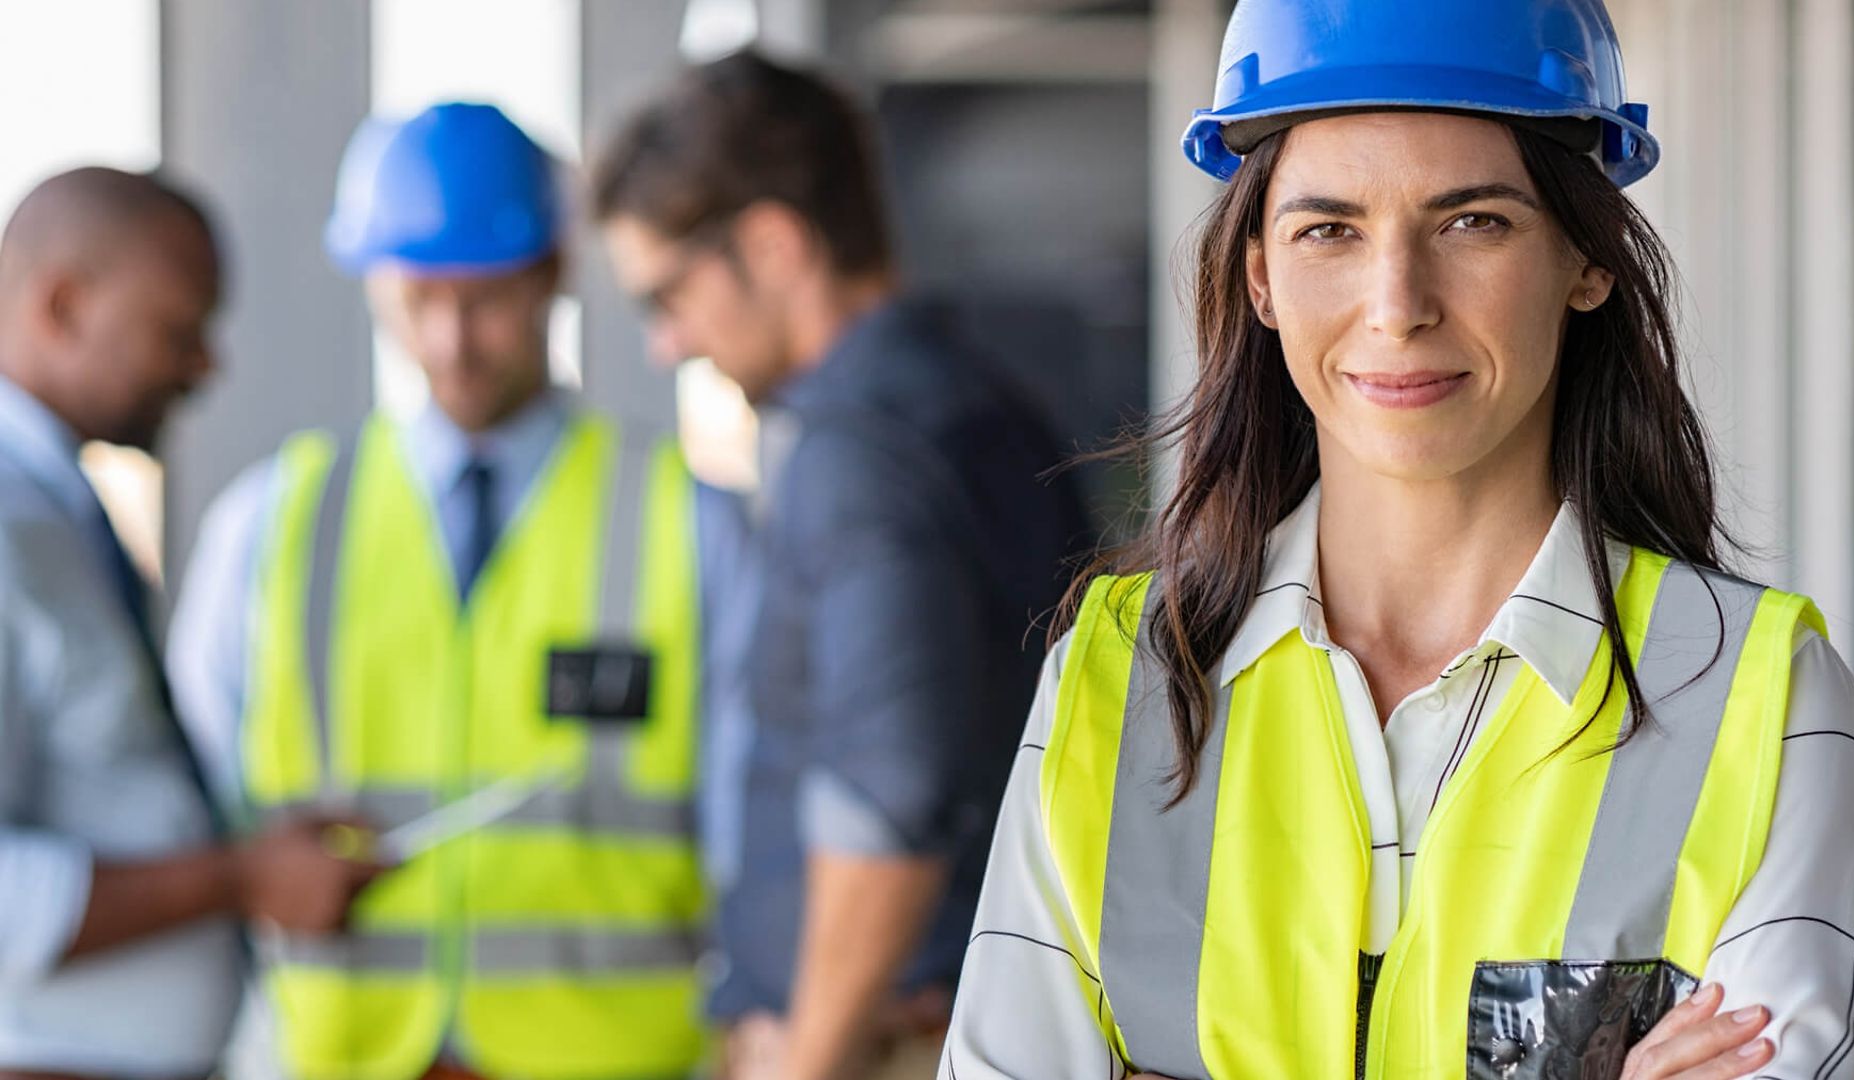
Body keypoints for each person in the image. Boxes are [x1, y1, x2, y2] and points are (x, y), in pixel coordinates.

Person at [942, 1, 1854, 1077]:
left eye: (1472, 222)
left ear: (1587, 260)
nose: (1397, 305)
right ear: (1260, 276)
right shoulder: (1113, 688)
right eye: (1329, 230)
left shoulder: (1757, 703)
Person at [168, 104, 712, 1080]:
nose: (453, 339)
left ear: (555, 273)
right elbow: (192, 816)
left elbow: (758, 832)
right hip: (340, 1058)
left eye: (488, 299)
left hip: (617, 1061)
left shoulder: (688, 521)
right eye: (418, 298)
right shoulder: (271, 525)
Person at [590, 51, 1090, 1080]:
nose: (665, 342)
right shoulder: (980, 405)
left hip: (883, 1044)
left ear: (771, 244)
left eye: (667, 294)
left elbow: (888, 796)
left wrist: (807, 1059)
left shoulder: (859, 451)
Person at [0, 167, 381, 1080]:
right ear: (64, 306)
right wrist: (240, 878)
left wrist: (248, 852)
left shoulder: (51, 511)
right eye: (180, 330)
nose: (206, 366)